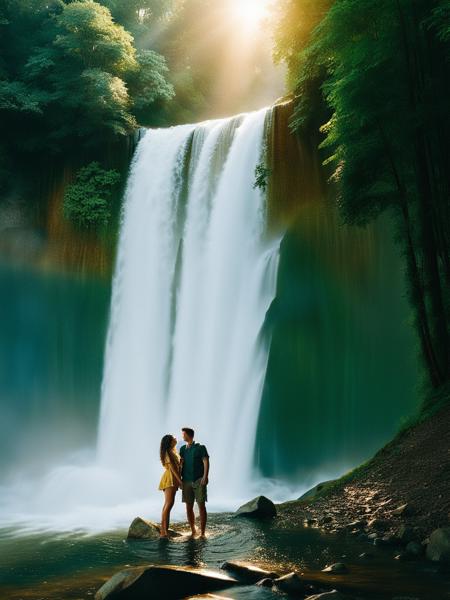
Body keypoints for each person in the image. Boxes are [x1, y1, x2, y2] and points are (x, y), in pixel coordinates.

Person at [179, 427, 210, 538]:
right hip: (186, 480)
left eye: (183, 434)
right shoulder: (182, 449)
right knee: (188, 506)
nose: (182, 436)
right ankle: (193, 530)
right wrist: (179, 480)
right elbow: (180, 465)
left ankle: (202, 533)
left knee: (201, 505)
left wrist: (205, 477)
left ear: (188, 435)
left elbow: (206, 461)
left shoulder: (201, 448)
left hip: (198, 480)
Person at [158, 434, 182, 538]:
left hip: (173, 478)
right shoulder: (168, 452)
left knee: (169, 504)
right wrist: (180, 481)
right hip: (170, 478)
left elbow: (177, 467)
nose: (175, 438)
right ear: (170, 441)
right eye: (173, 438)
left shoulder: (173, 451)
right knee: (169, 503)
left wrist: (181, 464)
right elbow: (172, 468)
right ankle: (163, 532)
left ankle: (164, 529)